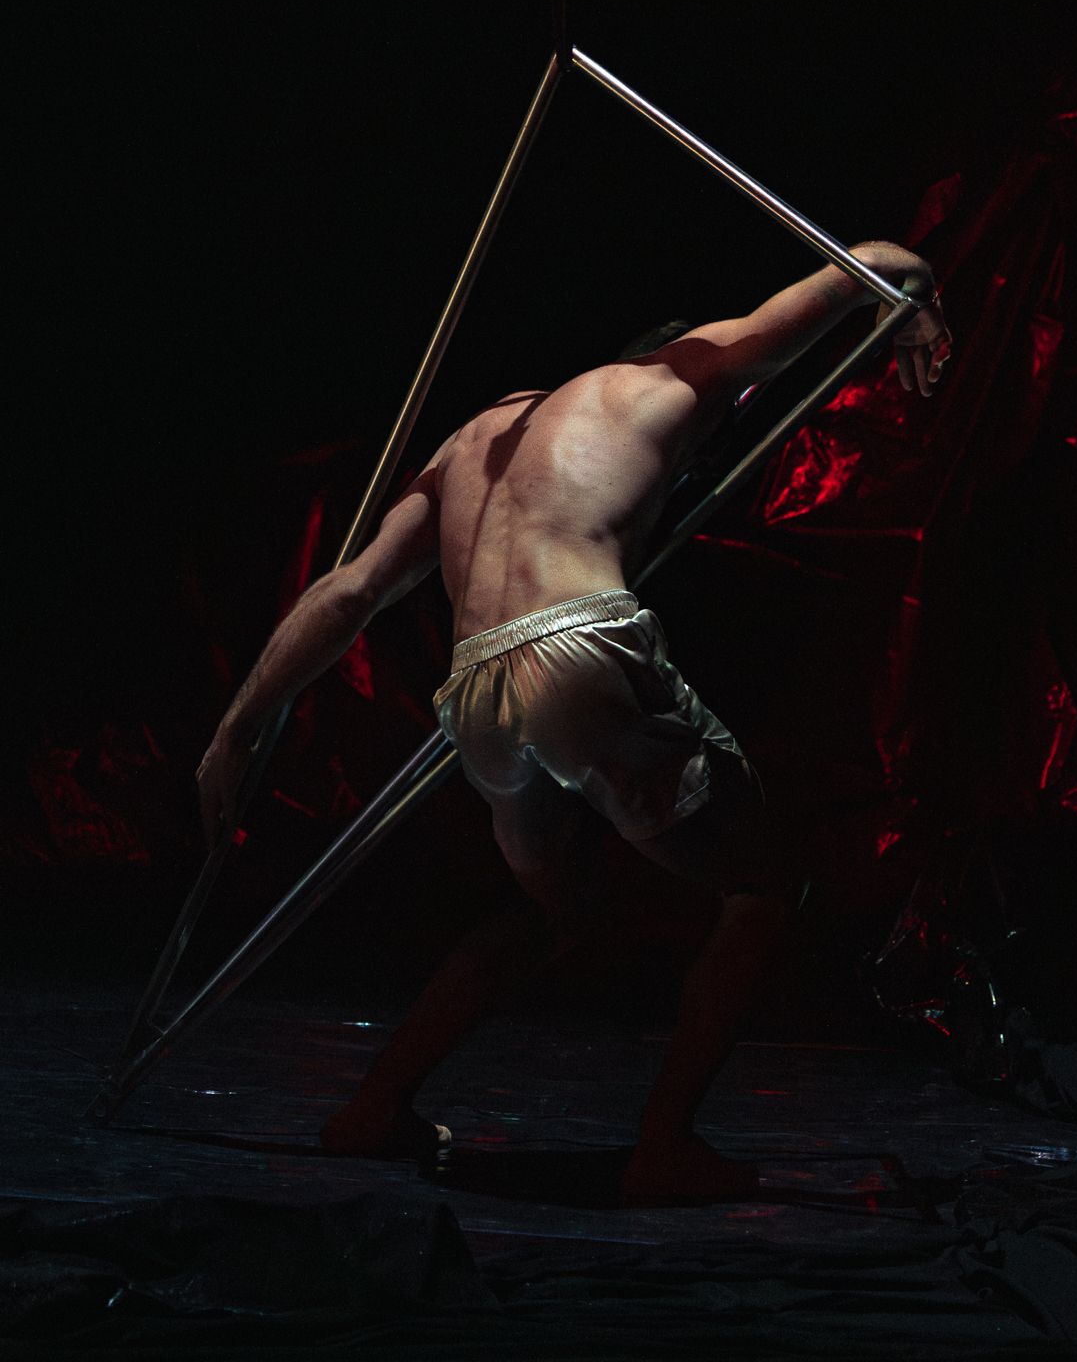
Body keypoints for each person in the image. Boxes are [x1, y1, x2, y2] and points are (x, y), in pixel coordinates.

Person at [196, 241, 951, 1200]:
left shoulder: (475, 438)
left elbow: (350, 595)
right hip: (576, 645)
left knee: (554, 907)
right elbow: (863, 266)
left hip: (473, 689)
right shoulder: (676, 377)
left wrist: (235, 727)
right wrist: (915, 288)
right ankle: (663, 1146)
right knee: (764, 886)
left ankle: (371, 1109)